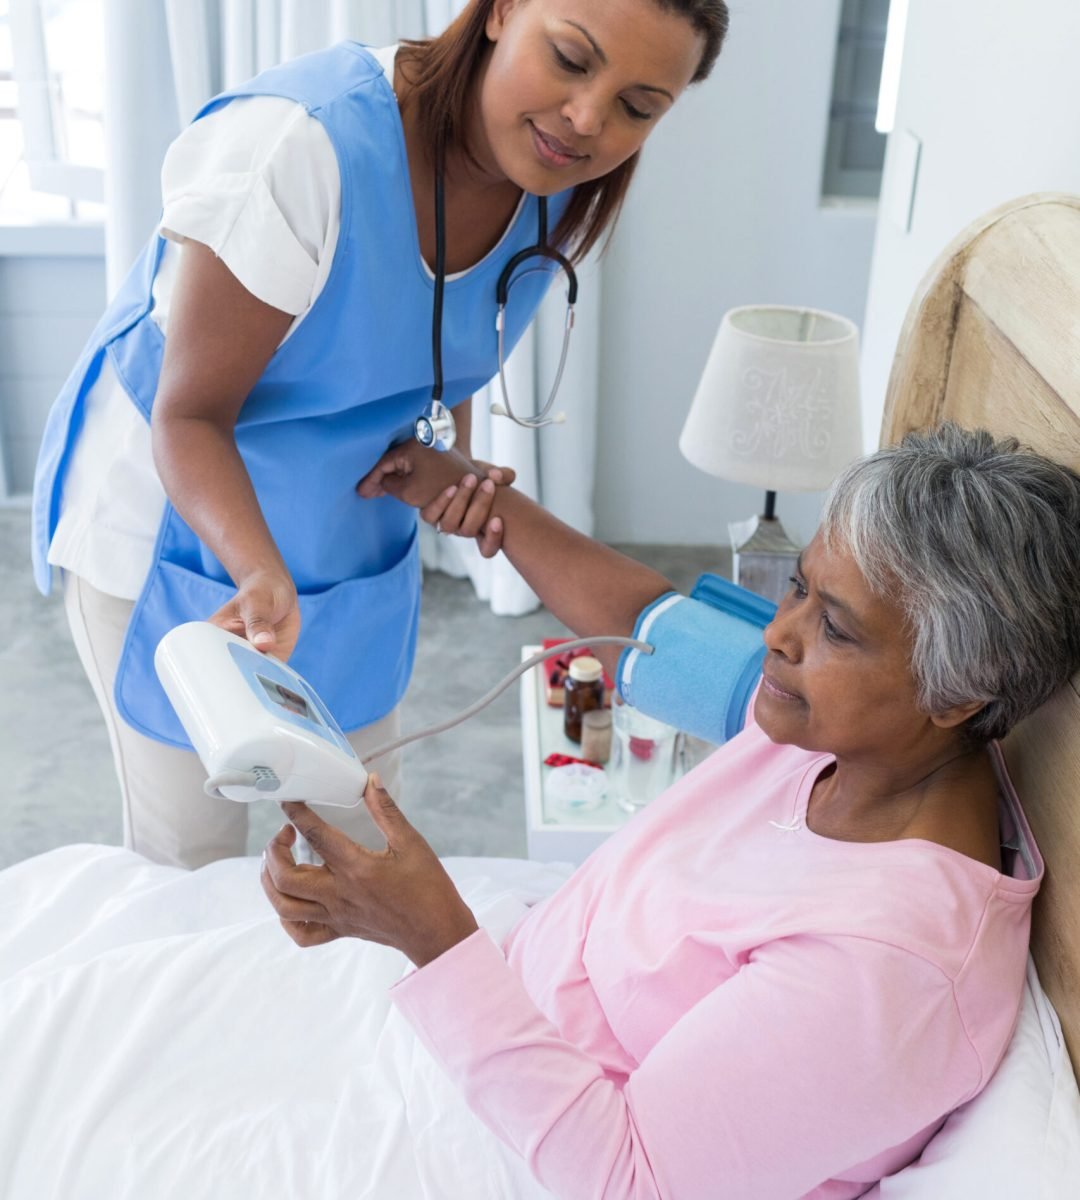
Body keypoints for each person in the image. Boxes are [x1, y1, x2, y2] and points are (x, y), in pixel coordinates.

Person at [255, 423, 1078, 1197]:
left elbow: (632, 1182)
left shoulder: (889, 971)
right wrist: (476, 498)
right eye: (797, 586)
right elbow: (646, 624)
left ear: (960, 691)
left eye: (833, 627)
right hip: (481, 1028)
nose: (776, 636)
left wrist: (431, 936)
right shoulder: (838, 735)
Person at [29, 0, 730, 868]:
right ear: (503, 11)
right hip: (180, 533)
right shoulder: (301, 148)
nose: (588, 119)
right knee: (192, 859)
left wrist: (451, 465)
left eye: (638, 106)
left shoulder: (552, 178)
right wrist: (255, 569)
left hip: (343, 539)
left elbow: (439, 347)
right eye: (571, 59)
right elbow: (190, 413)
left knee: (361, 841)